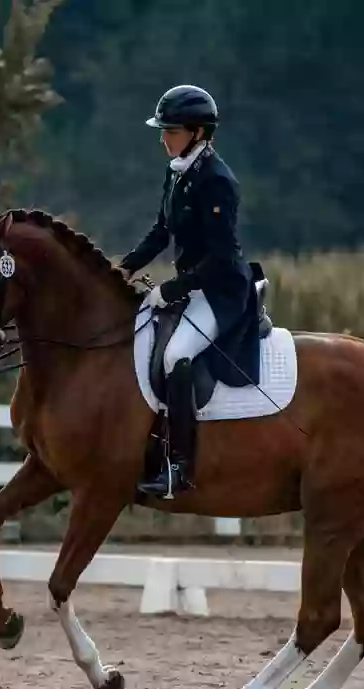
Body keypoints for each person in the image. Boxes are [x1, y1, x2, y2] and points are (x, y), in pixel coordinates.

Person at [119, 84, 258, 498]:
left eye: (172, 131)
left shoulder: (218, 182)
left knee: (178, 354)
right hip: (195, 286)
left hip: (221, 292)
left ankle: (179, 466)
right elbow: (162, 232)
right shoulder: (178, 170)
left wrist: (174, 288)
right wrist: (125, 266)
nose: (164, 138)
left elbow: (219, 257)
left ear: (198, 132)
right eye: (163, 130)